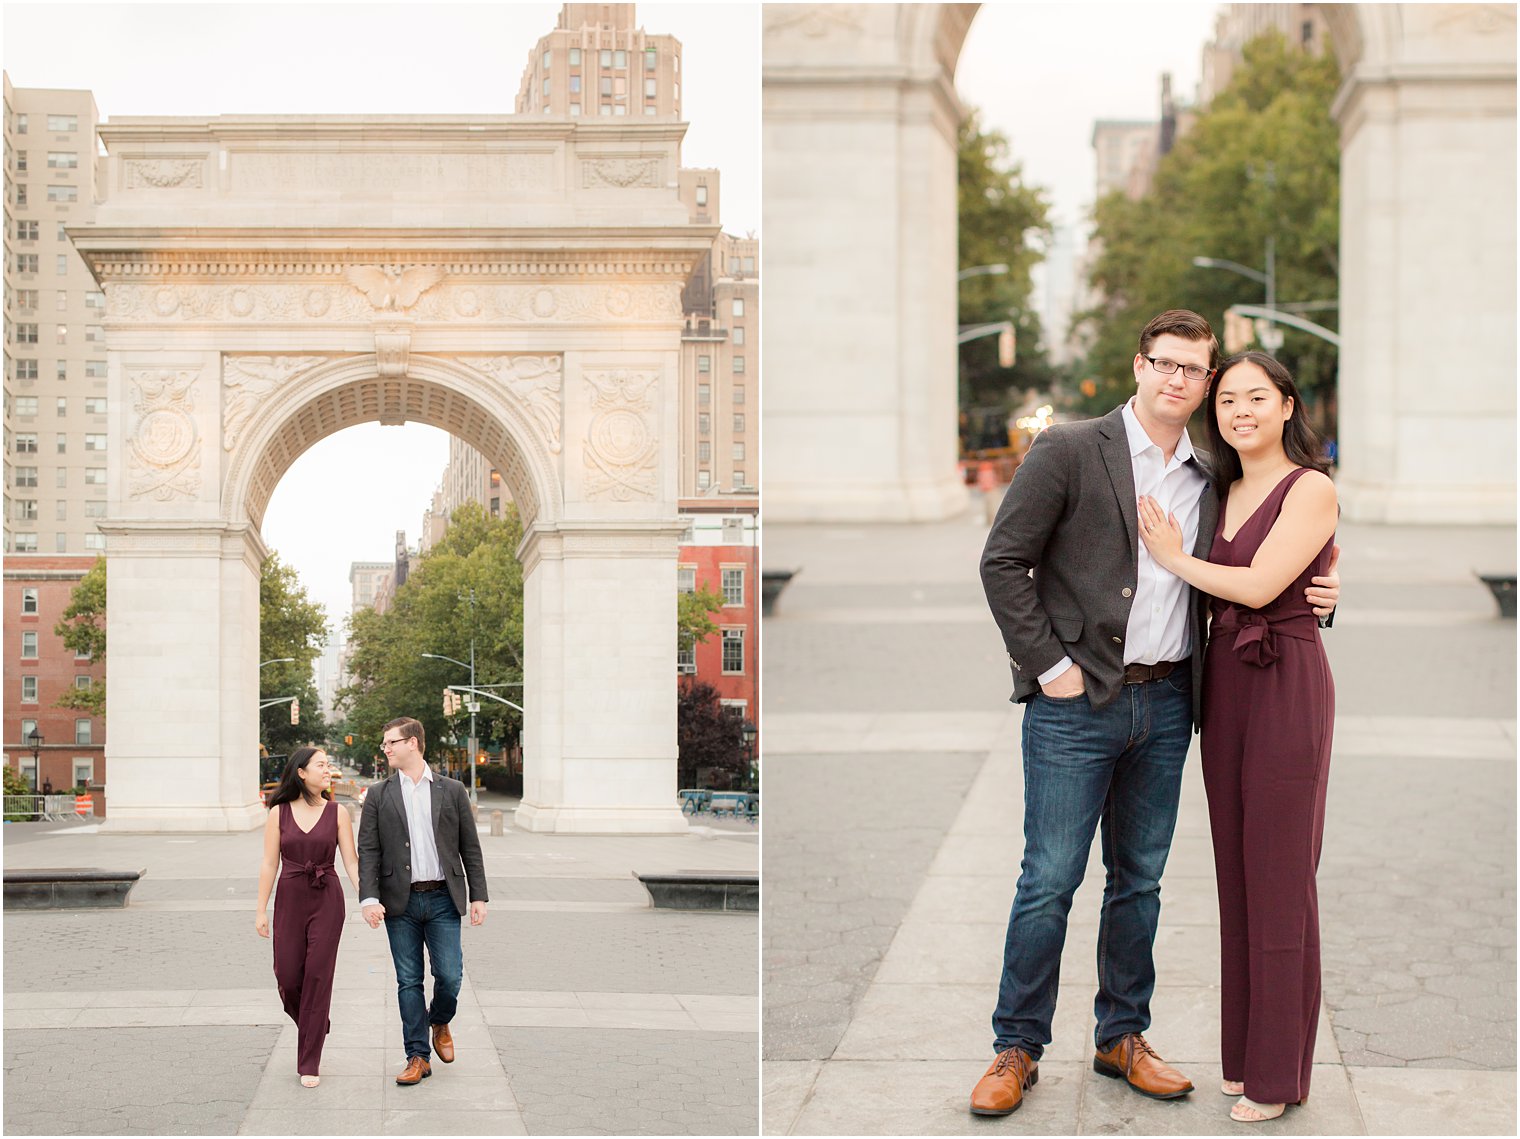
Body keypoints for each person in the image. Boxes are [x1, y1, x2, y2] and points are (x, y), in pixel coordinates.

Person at [972, 310, 1340, 1116]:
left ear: (1206, 383)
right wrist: (1051, 668)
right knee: (1049, 879)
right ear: (1138, 365)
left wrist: (1324, 594)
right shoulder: (1070, 448)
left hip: (1173, 700)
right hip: (1077, 702)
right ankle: (1015, 1045)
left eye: (1194, 371)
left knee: (1139, 882)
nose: (1180, 380)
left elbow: (1263, 564)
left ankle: (1121, 1034)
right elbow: (1003, 561)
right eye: (1166, 364)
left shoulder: (1214, 474)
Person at [1137, 351, 1336, 1123]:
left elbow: (1258, 586)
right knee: (1238, 878)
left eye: (1257, 397)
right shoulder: (1219, 485)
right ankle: (1244, 1053)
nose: (1239, 410)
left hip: (1286, 682)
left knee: (1282, 878)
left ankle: (1278, 1073)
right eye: (1227, 400)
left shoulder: (1311, 487)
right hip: (1224, 685)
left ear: (1288, 405)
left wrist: (1175, 558)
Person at [358, 716, 488, 1086]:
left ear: (412, 743)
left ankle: (440, 1020)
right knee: (408, 980)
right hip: (400, 903)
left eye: (391, 742)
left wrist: (478, 895)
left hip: (444, 899)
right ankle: (417, 1055)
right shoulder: (379, 795)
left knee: (449, 975)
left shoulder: (452, 790)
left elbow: (469, 847)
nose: (386, 749)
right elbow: (367, 849)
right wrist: (369, 898)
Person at [255, 745, 361, 1088]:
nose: (327, 770)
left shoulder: (338, 812)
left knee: (317, 976)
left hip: (327, 898)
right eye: (321, 765)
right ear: (301, 772)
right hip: (289, 896)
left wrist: (369, 897)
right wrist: (260, 909)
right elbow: (270, 863)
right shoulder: (278, 813)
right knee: (287, 975)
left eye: (328, 765)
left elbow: (352, 862)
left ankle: (309, 1061)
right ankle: (315, 1021)